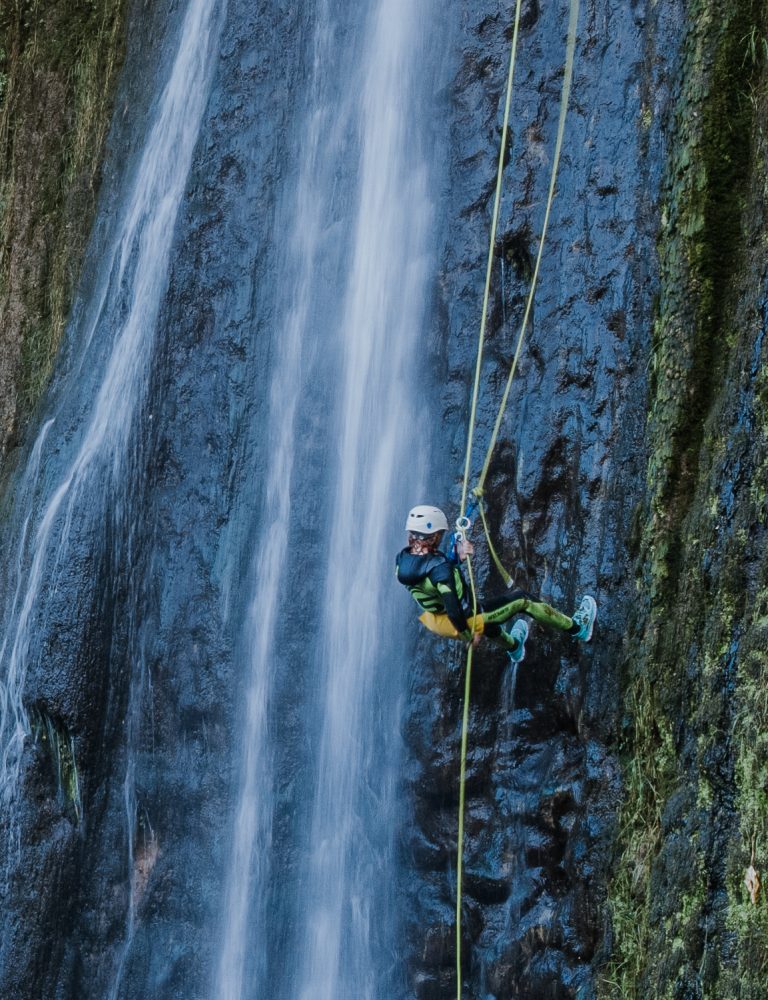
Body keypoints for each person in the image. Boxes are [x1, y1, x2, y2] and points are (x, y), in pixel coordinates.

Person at [395, 505, 596, 662]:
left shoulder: (402, 561)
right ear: (434, 535)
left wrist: (455, 557)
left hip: (435, 620)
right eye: (439, 534)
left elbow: (432, 579)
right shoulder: (440, 570)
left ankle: (514, 647)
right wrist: (468, 635)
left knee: (489, 622)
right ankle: (579, 628)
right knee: (522, 600)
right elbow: (453, 606)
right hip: (463, 620)